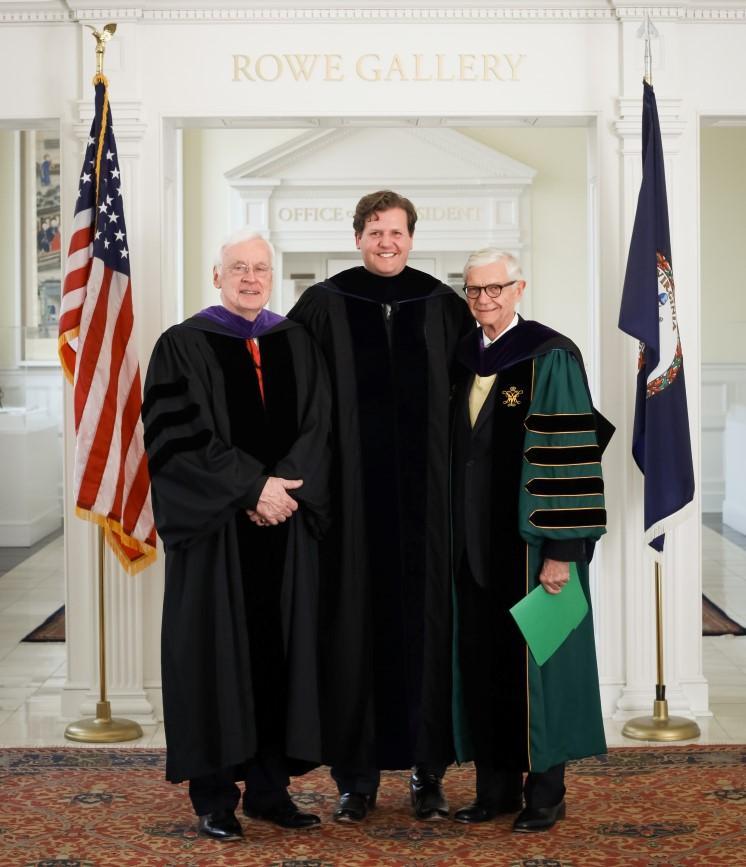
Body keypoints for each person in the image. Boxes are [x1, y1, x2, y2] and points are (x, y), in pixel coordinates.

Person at [288, 190, 473, 823]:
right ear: (358, 236)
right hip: (352, 512)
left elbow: (470, 401)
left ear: (413, 237)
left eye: (396, 231)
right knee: (351, 632)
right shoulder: (323, 304)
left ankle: (429, 774)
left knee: (431, 633)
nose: (386, 241)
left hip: (431, 507)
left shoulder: (443, 305)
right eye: (374, 230)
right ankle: (356, 778)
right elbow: (298, 402)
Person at [142, 229, 331, 841]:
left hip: (285, 529)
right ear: (215, 275)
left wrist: (284, 491)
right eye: (238, 268)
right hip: (218, 534)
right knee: (213, 657)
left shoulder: (294, 340)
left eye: (260, 269)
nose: (251, 279)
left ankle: (270, 792)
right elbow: (180, 440)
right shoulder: (182, 345)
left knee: (282, 652)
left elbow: (319, 426)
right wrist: (253, 490)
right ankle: (216, 797)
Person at [450, 248, 613, 833]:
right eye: (474, 290)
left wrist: (562, 551)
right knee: (480, 660)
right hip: (470, 546)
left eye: (496, 288)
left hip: (531, 549)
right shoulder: (463, 355)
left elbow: (569, 456)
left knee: (539, 664)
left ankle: (545, 792)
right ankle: (493, 789)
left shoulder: (551, 356)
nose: (485, 300)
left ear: (520, 288)